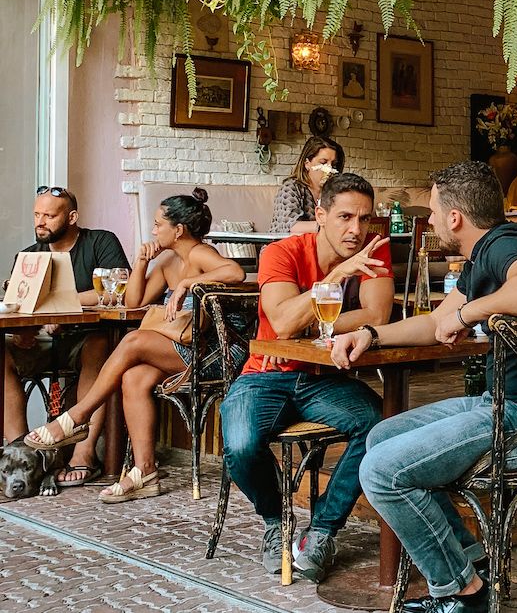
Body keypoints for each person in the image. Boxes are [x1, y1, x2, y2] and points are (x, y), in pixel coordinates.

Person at [335, 161, 517, 613]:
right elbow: (435, 323)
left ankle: (461, 593)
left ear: (455, 218)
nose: (429, 220)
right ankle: (472, 565)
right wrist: (371, 335)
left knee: (381, 471)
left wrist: (468, 314)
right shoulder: (481, 259)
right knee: (381, 438)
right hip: (504, 408)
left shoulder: (505, 244)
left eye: (432, 210)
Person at [221, 172, 393, 583]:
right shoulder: (282, 252)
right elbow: (281, 324)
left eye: (365, 219)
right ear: (321, 215)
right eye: (345, 217)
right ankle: (274, 519)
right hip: (266, 375)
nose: (356, 230)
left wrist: (315, 324)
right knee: (241, 445)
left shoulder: (373, 252)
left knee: (377, 423)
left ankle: (322, 531)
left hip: (323, 378)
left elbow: (377, 316)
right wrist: (334, 278)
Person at [23, 189, 245, 503]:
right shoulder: (169, 260)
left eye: (158, 225)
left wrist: (186, 283)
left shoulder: (198, 253)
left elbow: (235, 272)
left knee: (134, 341)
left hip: (218, 351)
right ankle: (145, 472)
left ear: (177, 230)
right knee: (134, 377)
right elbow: (134, 301)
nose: (153, 231)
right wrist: (142, 261)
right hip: (184, 347)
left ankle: (76, 417)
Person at [3, 186, 129, 488]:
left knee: (101, 345)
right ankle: (22, 453)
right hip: (41, 343)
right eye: (37, 214)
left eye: (49, 215)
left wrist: (61, 305)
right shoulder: (28, 256)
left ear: (72, 217)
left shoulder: (100, 242)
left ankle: (83, 456)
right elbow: (18, 304)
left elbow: (118, 288)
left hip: (84, 340)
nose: (40, 222)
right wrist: (25, 329)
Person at [269, 135, 346, 234]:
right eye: (323, 162)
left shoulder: (334, 193)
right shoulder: (291, 188)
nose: (330, 169)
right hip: (283, 246)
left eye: (334, 164)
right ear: (307, 163)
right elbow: (292, 226)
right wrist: (330, 226)